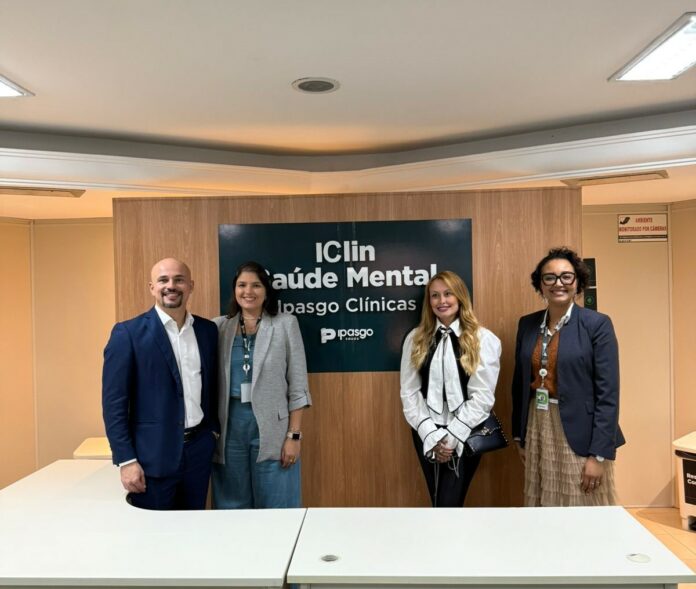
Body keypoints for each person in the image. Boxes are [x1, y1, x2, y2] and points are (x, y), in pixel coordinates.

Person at [102, 258, 219, 510]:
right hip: (151, 458)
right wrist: (126, 460)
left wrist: (212, 433)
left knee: (194, 527)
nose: (171, 286)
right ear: (152, 287)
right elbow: (114, 404)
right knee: (153, 531)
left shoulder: (207, 331)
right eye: (163, 280)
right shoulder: (128, 334)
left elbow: (211, 387)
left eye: (179, 280)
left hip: (198, 453)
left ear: (191, 286)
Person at [511, 247, 625, 506]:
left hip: (581, 431)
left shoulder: (597, 324)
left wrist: (598, 455)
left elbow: (608, 394)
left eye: (566, 276)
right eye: (549, 277)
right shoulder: (527, 324)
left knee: (582, 502)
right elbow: (519, 384)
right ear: (541, 284)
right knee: (543, 502)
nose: (558, 283)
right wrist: (519, 435)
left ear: (578, 281)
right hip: (538, 424)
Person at [212, 261, 311, 509]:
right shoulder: (219, 327)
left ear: (266, 291)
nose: (248, 291)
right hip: (230, 427)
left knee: (277, 502)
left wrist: (294, 436)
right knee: (231, 505)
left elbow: (298, 385)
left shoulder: (285, 324)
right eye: (242, 285)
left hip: (273, 426)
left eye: (256, 285)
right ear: (234, 290)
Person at [400, 270, 501, 507]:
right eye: (435, 295)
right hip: (426, 431)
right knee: (437, 500)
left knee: (449, 503)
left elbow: (483, 396)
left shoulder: (483, 339)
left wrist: (452, 437)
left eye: (448, 294)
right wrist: (431, 435)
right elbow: (409, 392)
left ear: (460, 297)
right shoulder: (416, 338)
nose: (441, 301)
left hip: (467, 431)